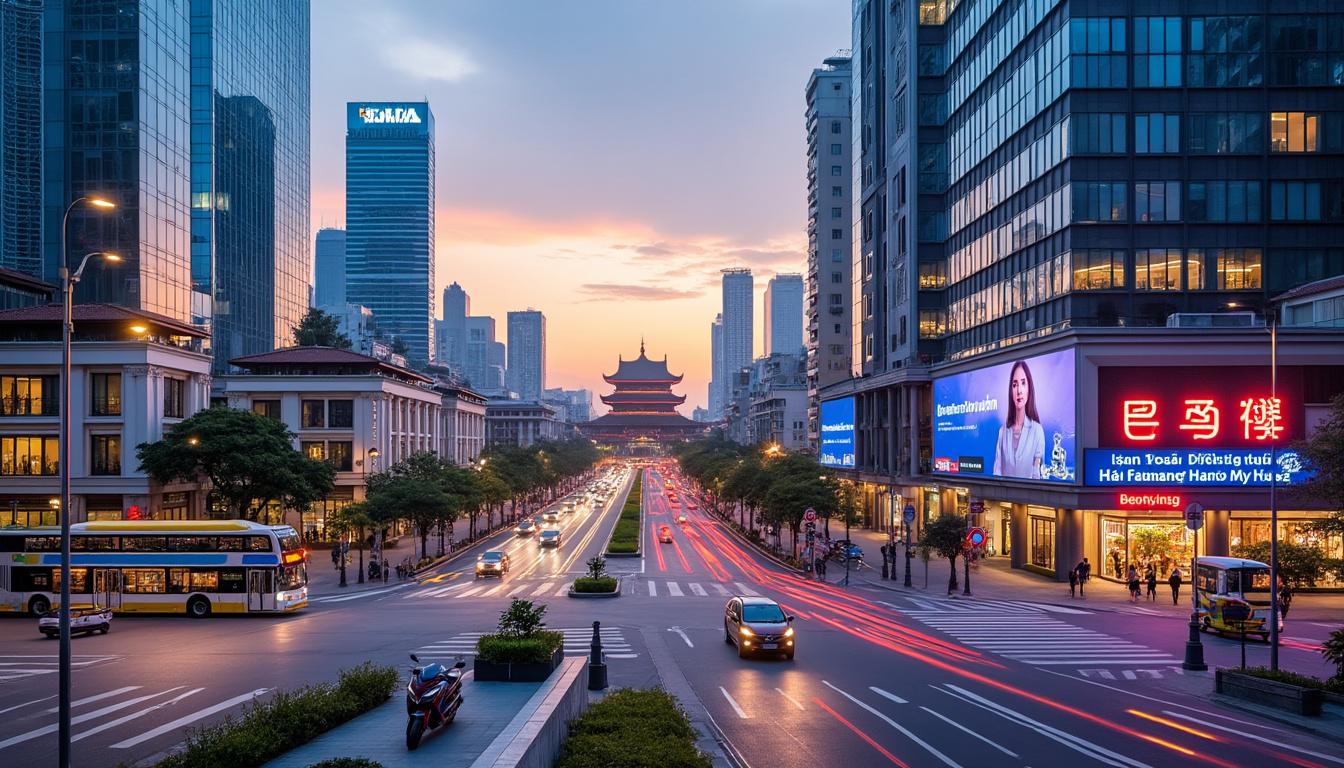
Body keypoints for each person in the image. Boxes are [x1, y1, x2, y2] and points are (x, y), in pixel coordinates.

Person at [993, 360, 1046, 479]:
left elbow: (1037, 475)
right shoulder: (1003, 431)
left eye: (1023, 383)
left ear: (1029, 388)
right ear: (1010, 391)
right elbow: (997, 471)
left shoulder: (1037, 431)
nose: (1019, 391)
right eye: (1015, 385)